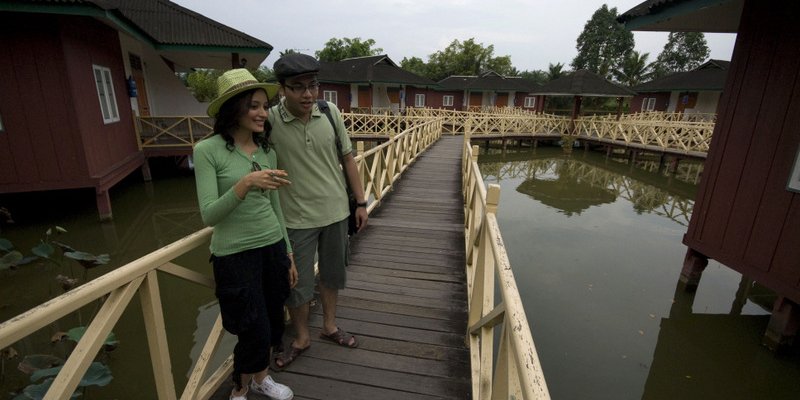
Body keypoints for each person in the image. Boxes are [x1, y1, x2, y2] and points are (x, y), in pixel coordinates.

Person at [193, 68, 297, 400]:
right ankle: (239, 388)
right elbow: (209, 214)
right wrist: (246, 182)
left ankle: (261, 379)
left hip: (272, 247)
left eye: (265, 106)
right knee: (252, 328)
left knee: (274, 324)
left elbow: (276, 207)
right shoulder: (207, 150)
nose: (263, 113)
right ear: (233, 108)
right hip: (234, 255)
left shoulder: (267, 151)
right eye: (254, 106)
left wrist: (289, 252)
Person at [268, 53, 368, 369]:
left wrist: (361, 202)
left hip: (337, 212)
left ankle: (329, 326)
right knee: (297, 284)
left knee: (333, 274)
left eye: (312, 86)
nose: (308, 94)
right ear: (282, 89)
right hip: (295, 218)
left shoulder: (329, 111)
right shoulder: (269, 120)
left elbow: (348, 158)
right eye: (297, 87)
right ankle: (300, 337)